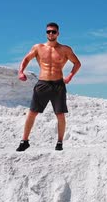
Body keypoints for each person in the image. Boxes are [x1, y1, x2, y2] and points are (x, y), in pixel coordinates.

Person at [16, 22, 81, 151]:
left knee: (60, 114)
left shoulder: (65, 49)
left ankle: (60, 143)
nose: (51, 34)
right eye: (48, 31)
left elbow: (77, 63)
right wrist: (20, 72)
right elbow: (26, 59)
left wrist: (69, 76)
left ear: (58, 33)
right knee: (32, 112)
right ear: (46, 33)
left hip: (58, 85)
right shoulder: (38, 47)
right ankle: (24, 141)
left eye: (53, 31)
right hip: (43, 83)